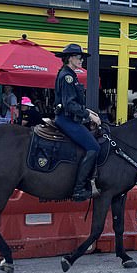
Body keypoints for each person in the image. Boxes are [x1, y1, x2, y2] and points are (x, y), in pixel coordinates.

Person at [53, 43, 101, 201]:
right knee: (94, 147)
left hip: (69, 119)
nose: (81, 60)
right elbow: (69, 104)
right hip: (67, 120)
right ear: (70, 58)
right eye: (79, 57)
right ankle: (79, 189)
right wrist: (88, 114)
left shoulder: (69, 74)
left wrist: (89, 112)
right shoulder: (67, 77)